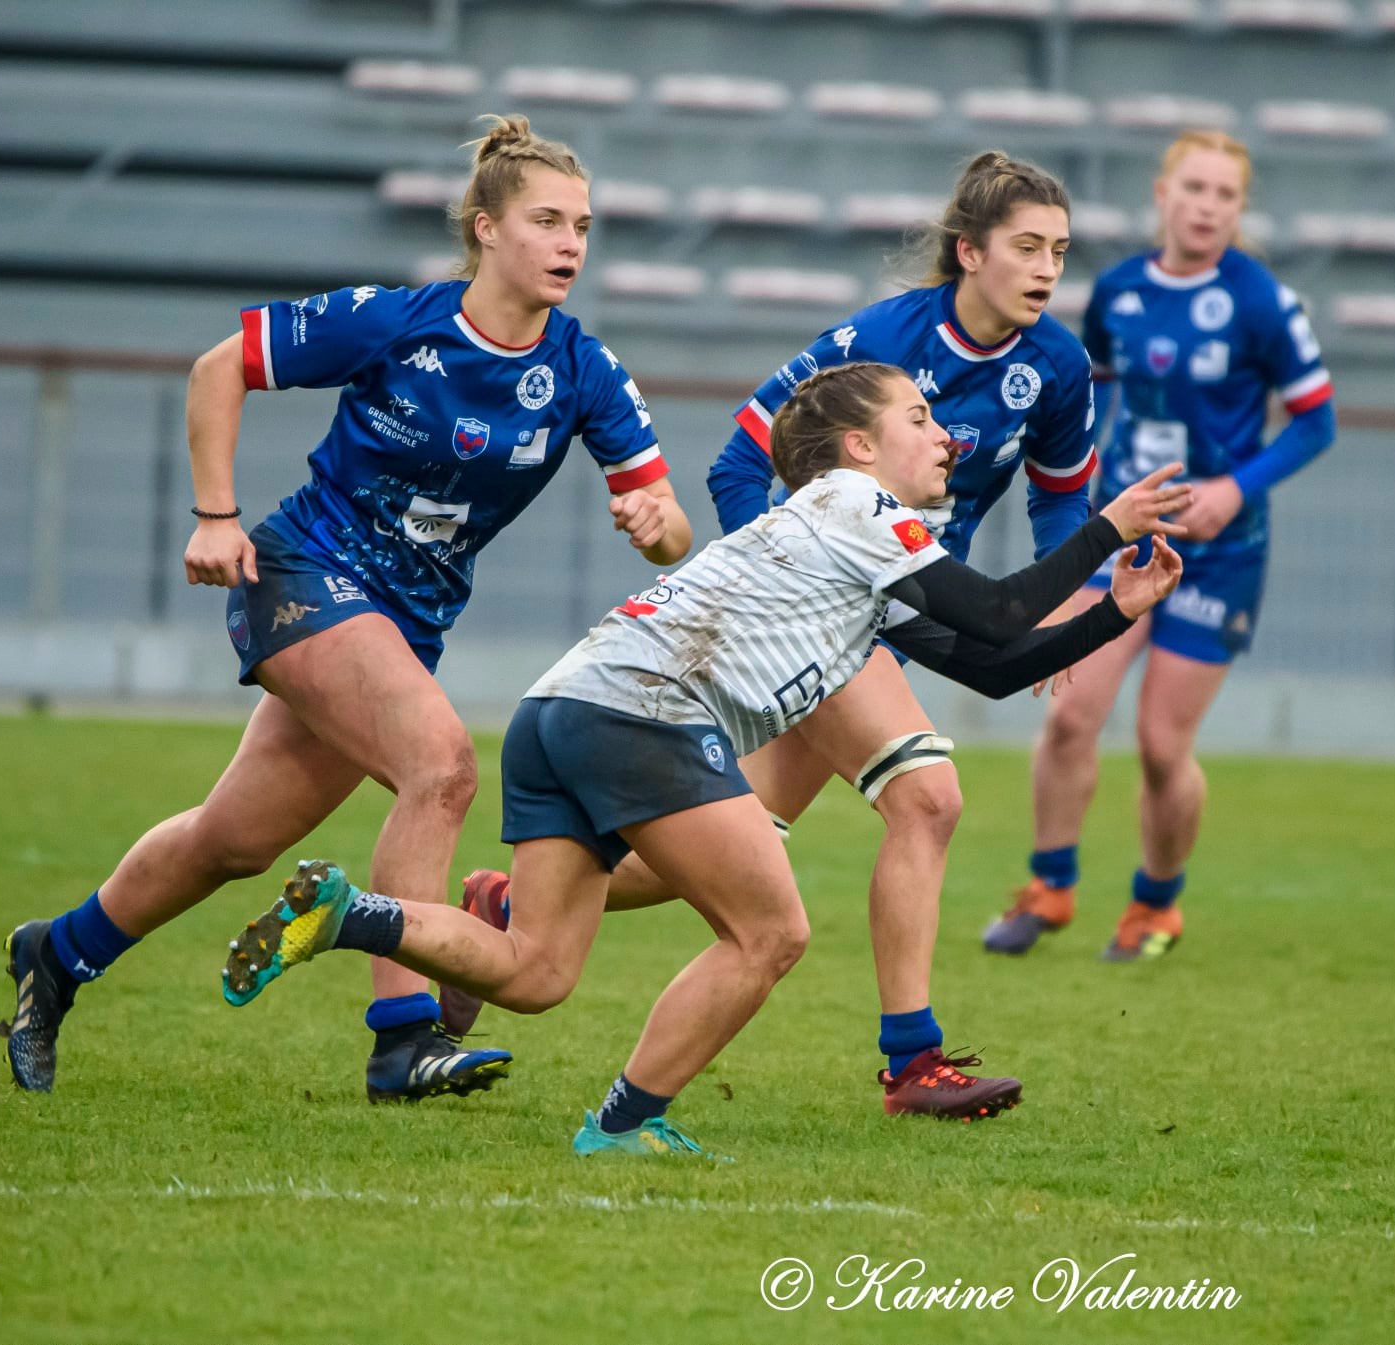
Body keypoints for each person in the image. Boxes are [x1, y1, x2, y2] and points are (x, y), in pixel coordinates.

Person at [218, 362, 1186, 1156]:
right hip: (641, 713)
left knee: (536, 970)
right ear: (858, 446)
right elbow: (999, 611)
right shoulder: (856, 501)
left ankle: (351, 912)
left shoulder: (836, 537)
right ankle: (624, 1124)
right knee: (770, 931)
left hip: (560, 706)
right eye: (920, 417)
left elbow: (989, 660)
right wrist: (1108, 528)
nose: (945, 436)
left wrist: (1114, 610)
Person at [0, 114, 691, 1102]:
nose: (571, 244)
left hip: (401, 625)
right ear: (486, 228)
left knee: (232, 841)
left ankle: (57, 955)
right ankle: (402, 1037)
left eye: (582, 225)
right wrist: (214, 517)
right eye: (547, 221)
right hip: (301, 571)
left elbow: (670, 533)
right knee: (440, 766)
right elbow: (216, 369)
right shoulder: (398, 321)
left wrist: (656, 518)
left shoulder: (583, 368)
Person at [452, 151, 1103, 1116]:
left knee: (733, 841)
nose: (1046, 268)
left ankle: (507, 908)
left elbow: (1060, 496)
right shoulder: (879, 342)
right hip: (852, 597)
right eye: (1026, 246)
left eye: (1058, 248)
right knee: (927, 799)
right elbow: (734, 460)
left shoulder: (1056, 365)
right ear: (969, 252)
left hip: (920, 599)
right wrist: (789, 583)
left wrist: (1054, 606)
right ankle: (912, 1060)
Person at [983, 130, 1336, 962]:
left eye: (1226, 194)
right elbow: (1092, 397)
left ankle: (1154, 905)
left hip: (1220, 549)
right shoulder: (1117, 291)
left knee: (1159, 744)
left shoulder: (1261, 302)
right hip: (1123, 530)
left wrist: (1232, 488)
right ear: (1163, 195)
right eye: (1195, 188)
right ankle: (1050, 887)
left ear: (1238, 210)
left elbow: (1315, 420)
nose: (1208, 206)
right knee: (1068, 713)